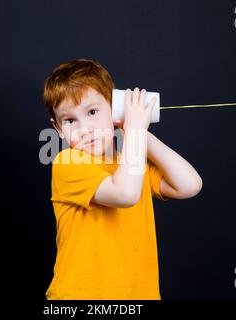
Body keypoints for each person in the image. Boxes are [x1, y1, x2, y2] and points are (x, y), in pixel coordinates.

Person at [42, 58, 203, 299]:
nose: (84, 128)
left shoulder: (132, 163)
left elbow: (189, 185)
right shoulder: (67, 163)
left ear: (114, 109)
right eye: (70, 120)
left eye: (93, 112)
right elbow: (125, 194)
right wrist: (136, 131)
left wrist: (136, 129)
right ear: (58, 128)